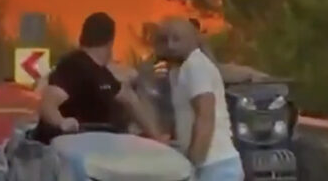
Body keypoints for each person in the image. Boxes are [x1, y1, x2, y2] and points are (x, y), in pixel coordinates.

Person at [34, 12, 165, 143]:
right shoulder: (73, 67)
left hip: (95, 148)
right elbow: (48, 105)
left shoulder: (103, 75)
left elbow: (130, 100)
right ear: (111, 42)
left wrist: (157, 138)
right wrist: (62, 122)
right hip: (65, 147)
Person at [158, 18, 242, 181]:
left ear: (192, 40)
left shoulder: (195, 66)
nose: (170, 45)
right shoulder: (184, 69)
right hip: (215, 166)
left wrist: (193, 162)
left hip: (214, 166)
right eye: (166, 40)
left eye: (177, 39)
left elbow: (205, 115)